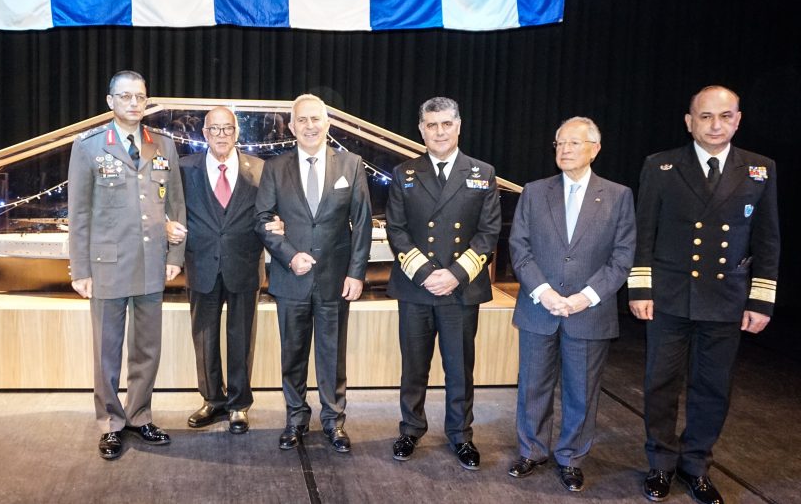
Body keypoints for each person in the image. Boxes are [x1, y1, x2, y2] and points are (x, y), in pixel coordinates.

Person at [629, 86, 779, 504]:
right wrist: (640, 288)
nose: (716, 125)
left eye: (725, 116)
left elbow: (767, 239)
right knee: (660, 384)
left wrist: (760, 299)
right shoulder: (661, 166)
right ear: (689, 121)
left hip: (725, 298)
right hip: (670, 296)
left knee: (712, 387)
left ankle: (696, 465)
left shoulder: (759, 169)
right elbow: (644, 232)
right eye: (706, 116)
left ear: (738, 120)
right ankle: (661, 463)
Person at [507, 117, 636, 492]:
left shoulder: (618, 196)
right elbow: (519, 248)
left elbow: (622, 257)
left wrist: (586, 297)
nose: (564, 150)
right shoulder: (534, 192)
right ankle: (532, 451)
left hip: (589, 311)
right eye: (560, 143)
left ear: (595, 149)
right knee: (533, 386)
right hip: (539, 307)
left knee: (582, 391)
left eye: (574, 143)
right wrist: (544, 292)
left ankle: (571, 458)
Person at [67, 70, 185, 460]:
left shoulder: (163, 145)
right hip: (107, 265)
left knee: (147, 348)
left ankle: (139, 415)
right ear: (110, 101)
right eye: (125, 97)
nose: (134, 103)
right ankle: (110, 423)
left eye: (140, 97)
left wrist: (175, 257)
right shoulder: (88, 146)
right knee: (107, 350)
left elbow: (176, 206)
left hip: (152, 262)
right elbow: (79, 214)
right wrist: (80, 269)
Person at [384, 97, 501, 470]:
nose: (439, 132)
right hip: (416, 288)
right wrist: (425, 274)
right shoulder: (404, 173)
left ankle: (461, 435)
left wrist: (454, 275)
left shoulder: (482, 172)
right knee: (413, 366)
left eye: (446, 124)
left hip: (460, 289)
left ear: (458, 126)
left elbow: (488, 233)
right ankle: (410, 429)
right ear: (421, 129)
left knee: (459, 368)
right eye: (431, 125)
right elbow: (396, 230)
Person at [255, 94, 372, 453]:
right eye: (302, 120)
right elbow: (262, 220)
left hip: (336, 280)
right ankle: (295, 418)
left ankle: (334, 420)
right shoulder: (275, 168)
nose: (309, 126)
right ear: (291, 126)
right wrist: (290, 256)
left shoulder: (351, 164)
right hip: (291, 279)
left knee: (332, 354)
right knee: (293, 354)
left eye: (315, 119)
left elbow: (363, 223)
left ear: (327, 123)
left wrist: (356, 273)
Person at [165, 107, 277, 434]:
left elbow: (272, 211)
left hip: (244, 265)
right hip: (201, 265)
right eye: (214, 129)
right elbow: (167, 207)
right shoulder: (184, 168)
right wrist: (166, 225)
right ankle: (212, 400)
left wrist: (280, 223)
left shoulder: (260, 169)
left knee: (242, 339)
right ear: (204, 133)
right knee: (204, 338)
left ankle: (239, 404)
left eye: (228, 128)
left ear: (237, 132)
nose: (222, 135)